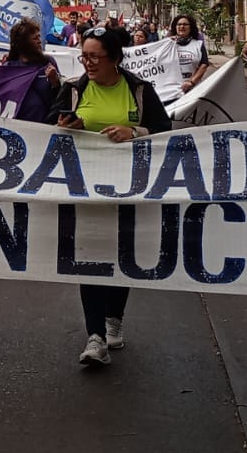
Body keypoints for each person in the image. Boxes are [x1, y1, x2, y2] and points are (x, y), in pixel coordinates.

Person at [51, 26, 172, 367]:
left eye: (94, 57)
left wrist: (134, 132)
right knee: (88, 257)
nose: (87, 63)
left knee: (120, 256)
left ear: (115, 59)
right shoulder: (73, 90)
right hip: (83, 188)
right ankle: (95, 336)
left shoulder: (138, 90)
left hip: (129, 188)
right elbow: (47, 124)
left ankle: (113, 319)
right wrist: (64, 126)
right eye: (83, 56)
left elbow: (165, 131)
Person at [2, 17, 60, 122]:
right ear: (23, 43)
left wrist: (55, 83)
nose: (39, 41)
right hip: (16, 125)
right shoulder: (8, 67)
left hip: (43, 127)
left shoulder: (48, 63)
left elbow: (60, 99)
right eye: (35, 38)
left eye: (39, 37)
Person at [168, 14, 211, 97]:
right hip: (172, 90)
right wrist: (168, 43)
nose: (182, 26)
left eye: (185, 24)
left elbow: (204, 65)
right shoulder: (168, 45)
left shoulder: (198, 44)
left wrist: (191, 82)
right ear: (175, 27)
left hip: (193, 90)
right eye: (179, 24)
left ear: (190, 27)